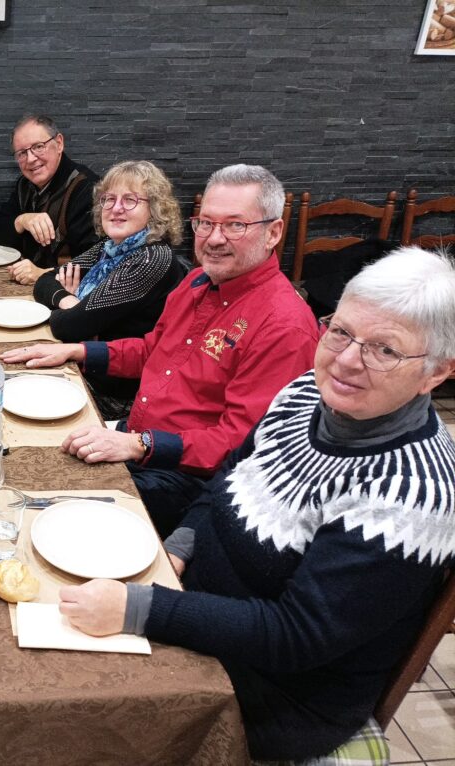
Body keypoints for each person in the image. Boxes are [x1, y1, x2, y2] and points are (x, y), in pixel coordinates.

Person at [58, 247, 455, 763]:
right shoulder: (304, 395)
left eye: (385, 350)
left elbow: (296, 636)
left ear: (435, 373)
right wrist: (179, 548)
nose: (347, 360)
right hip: (202, 607)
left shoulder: (408, 495)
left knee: (65, 706)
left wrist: (141, 608)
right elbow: (226, 481)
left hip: (274, 694)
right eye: (340, 332)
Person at [2, 165, 319, 536]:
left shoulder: (284, 325)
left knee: (35, 510)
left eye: (235, 225)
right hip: (137, 437)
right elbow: (153, 349)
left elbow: (240, 444)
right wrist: (77, 351)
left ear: (273, 232)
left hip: (186, 480)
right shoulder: (198, 282)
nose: (215, 238)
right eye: (206, 223)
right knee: (16, 450)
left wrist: (139, 444)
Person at [33, 160, 188, 417]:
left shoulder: (150, 259)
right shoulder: (111, 249)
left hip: (117, 396)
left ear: (155, 209)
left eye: (130, 200)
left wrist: (76, 312)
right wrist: (68, 301)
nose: (116, 208)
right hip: (87, 368)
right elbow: (45, 281)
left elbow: (67, 326)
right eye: (108, 199)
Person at [0, 115, 100, 286]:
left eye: (39, 147)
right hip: (29, 289)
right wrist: (22, 220)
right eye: (22, 153)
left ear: (59, 143)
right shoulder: (25, 185)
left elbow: (96, 265)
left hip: (67, 298)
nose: (31, 159)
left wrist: (41, 273)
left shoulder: (87, 189)